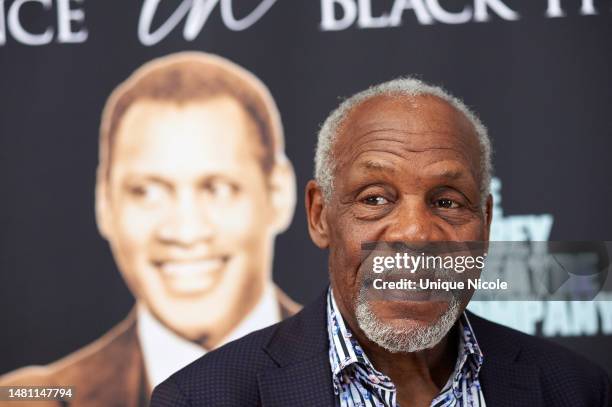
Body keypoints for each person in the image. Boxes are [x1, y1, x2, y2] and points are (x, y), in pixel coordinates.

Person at [150, 77, 611, 407]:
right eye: (375, 199)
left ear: (485, 224)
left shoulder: (575, 389)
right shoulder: (203, 397)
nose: (414, 234)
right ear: (319, 215)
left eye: (447, 202)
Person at [0, 52, 300, 407]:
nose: (185, 230)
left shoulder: (373, 377)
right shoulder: (32, 399)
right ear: (104, 203)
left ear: (278, 194)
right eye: (147, 192)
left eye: (217, 188)